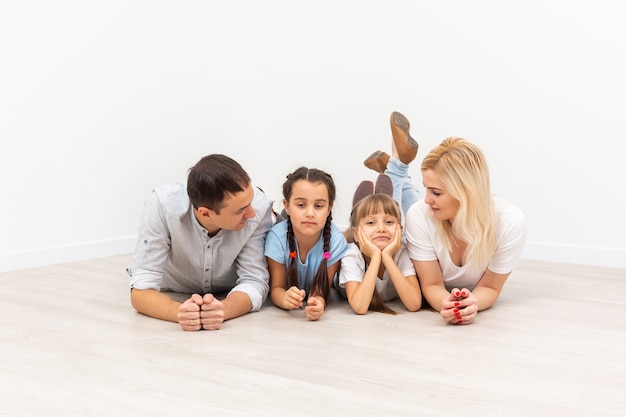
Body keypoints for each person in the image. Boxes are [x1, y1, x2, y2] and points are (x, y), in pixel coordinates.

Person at [363, 112, 527, 325]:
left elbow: (490, 287)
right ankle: (396, 169)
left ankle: (396, 169)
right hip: (407, 241)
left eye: (436, 193)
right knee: (380, 221)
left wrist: (471, 303)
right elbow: (431, 285)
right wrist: (446, 303)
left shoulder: (511, 223)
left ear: (465, 192)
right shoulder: (420, 214)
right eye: (427, 189)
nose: (427, 199)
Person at [126, 154, 275, 331]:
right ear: (205, 213)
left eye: (250, 202)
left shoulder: (260, 207)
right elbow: (141, 290)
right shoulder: (161, 205)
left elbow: (255, 281)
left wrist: (222, 310)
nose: (251, 213)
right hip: (174, 287)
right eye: (241, 210)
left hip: (229, 288)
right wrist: (180, 312)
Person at [264, 167, 349, 321]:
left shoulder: (335, 241)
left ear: (330, 208)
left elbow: (322, 290)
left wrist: (319, 302)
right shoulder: (276, 237)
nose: (310, 213)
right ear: (287, 206)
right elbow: (276, 288)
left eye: (318, 206)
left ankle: (354, 228)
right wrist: (284, 298)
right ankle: (275, 216)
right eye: (301, 205)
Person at [336, 190, 422, 315]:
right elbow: (360, 307)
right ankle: (345, 235)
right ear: (356, 233)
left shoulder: (402, 252)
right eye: (371, 223)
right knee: (335, 247)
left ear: (400, 229)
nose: (381, 229)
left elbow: (414, 304)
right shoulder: (351, 255)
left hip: (393, 245)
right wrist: (376, 257)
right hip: (337, 279)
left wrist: (387, 257)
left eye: (389, 222)